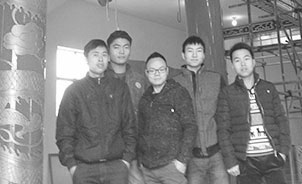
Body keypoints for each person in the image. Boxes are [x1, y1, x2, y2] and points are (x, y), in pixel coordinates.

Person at [56, 39, 136, 184]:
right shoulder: (74, 91)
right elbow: (64, 131)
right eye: (95, 54)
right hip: (84, 169)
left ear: (108, 58)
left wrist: (126, 160)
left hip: (116, 168)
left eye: (104, 55)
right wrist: (72, 165)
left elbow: (130, 125)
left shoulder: (120, 88)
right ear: (86, 58)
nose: (100, 59)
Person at [217, 42, 290, 184]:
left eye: (246, 59)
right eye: (237, 60)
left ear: (254, 62)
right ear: (232, 66)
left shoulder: (268, 88)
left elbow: (281, 120)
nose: (243, 64)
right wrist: (230, 161)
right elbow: (223, 130)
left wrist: (283, 151)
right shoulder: (227, 93)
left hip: (272, 156)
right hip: (246, 161)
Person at [173, 36, 229, 184]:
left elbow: (224, 115)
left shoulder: (216, 79)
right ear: (183, 55)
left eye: (198, 51)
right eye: (190, 51)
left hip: (216, 152)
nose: (194, 55)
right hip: (191, 156)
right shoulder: (174, 83)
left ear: (204, 55)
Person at [137, 52, 197, 184]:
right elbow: (140, 131)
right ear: (146, 73)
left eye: (161, 69)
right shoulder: (144, 99)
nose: (157, 74)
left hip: (171, 166)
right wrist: (141, 160)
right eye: (152, 70)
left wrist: (182, 160)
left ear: (167, 71)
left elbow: (190, 126)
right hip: (148, 168)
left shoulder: (178, 92)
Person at [106, 29, 148, 184]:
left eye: (126, 47)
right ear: (108, 50)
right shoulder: (99, 78)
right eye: (116, 47)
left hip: (135, 150)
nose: (121, 51)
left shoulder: (140, 80)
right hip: (108, 150)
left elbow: (146, 114)